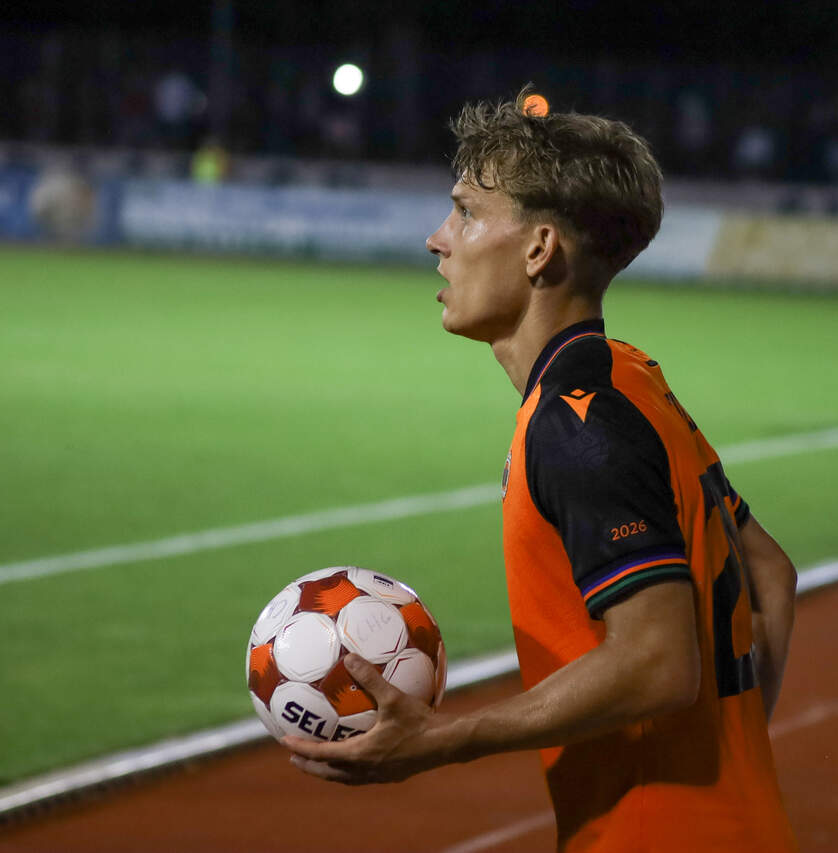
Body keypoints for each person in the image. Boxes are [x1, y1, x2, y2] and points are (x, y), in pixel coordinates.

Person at [284, 90, 799, 853]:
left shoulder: (574, 424)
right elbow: (772, 575)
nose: (437, 238)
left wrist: (446, 738)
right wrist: (730, 754)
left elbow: (659, 663)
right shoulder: (631, 378)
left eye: (465, 212)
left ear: (539, 249)